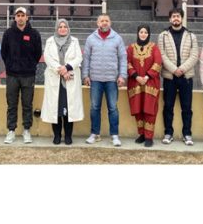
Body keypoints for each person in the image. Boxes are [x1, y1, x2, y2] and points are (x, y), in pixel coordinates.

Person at [82, 14, 127, 147]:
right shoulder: (91, 39)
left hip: (112, 80)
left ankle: (115, 135)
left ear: (110, 22)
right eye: (102, 21)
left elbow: (123, 58)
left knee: (113, 108)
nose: (104, 23)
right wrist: (85, 75)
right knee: (94, 107)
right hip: (95, 79)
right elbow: (87, 59)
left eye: (106, 20)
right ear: (98, 23)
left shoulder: (117, 38)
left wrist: (122, 75)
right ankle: (94, 134)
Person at [1, 7, 42, 144]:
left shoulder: (34, 34)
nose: (20, 18)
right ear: (14, 18)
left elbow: (37, 54)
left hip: (28, 75)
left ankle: (26, 130)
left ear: (27, 17)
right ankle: (11, 130)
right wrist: (11, 66)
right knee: (11, 104)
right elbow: (4, 53)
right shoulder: (8, 33)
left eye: (22, 15)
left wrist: (29, 65)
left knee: (27, 104)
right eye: (17, 15)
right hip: (12, 75)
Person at [157, 8, 199, 145]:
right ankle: (168, 133)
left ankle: (187, 134)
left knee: (186, 108)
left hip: (186, 77)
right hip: (170, 77)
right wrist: (174, 70)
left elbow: (194, 56)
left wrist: (182, 69)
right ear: (170, 19)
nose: (176, 19)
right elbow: (162, 55)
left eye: (178, 16)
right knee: (168, 107)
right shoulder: (163, 35)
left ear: (182, 18)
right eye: (173, 16)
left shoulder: (191, 35)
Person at [41, 19, 83, 145]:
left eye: (65, 26)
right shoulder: (50, 41)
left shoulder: (74, 41)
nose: (63, 29)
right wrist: (61, 70)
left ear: (68, 28)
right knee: (56, 109)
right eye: (60, 27)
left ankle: (68, 136)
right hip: (55, 78)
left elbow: (78, 57)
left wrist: (67, 68)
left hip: (70, 78)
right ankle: (57, 135)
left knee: (69, 109)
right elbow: (48, 58)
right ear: (56, 29)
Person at [127, 25, 162, 147]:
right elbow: (127, 63)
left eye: (145, 32)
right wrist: (136, 76)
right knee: (138, 109)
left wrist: (147, 77)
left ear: (149, 34)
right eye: (141, 32)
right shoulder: (131, 48)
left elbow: (158, 63)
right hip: (135, 82)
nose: (143, 34)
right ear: (137, 33)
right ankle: (141, 134)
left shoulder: (154, 48)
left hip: (150, 83)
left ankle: (149, 137)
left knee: (149, 109)